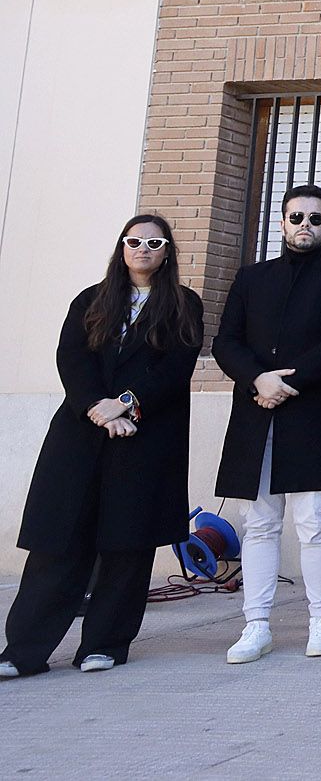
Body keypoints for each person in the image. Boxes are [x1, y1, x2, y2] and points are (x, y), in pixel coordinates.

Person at [1, 216, 203, 679]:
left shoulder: (183, 304)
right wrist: (98, 407)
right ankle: (24, 652)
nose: (143, 249)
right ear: (121, 247)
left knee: (126, 545)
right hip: (80, 434)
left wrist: (127, 405)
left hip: (145, 440)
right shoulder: (91, 300)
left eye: (154, 242)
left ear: (168, 251)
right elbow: (71, 358)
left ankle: (105, 645)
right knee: (58, 543)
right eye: (134, 242)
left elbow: (176, 368)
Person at [211, 186, 321, 664]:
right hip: (255, 412)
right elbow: (226, 341)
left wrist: (286, 382)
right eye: (296, 216)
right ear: (280, 223)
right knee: (257, 524)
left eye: (315, 219)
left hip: (312, 415)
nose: (305, 224)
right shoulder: (250, 278)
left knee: (316, 523)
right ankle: (255, 625)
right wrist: (258, 378)